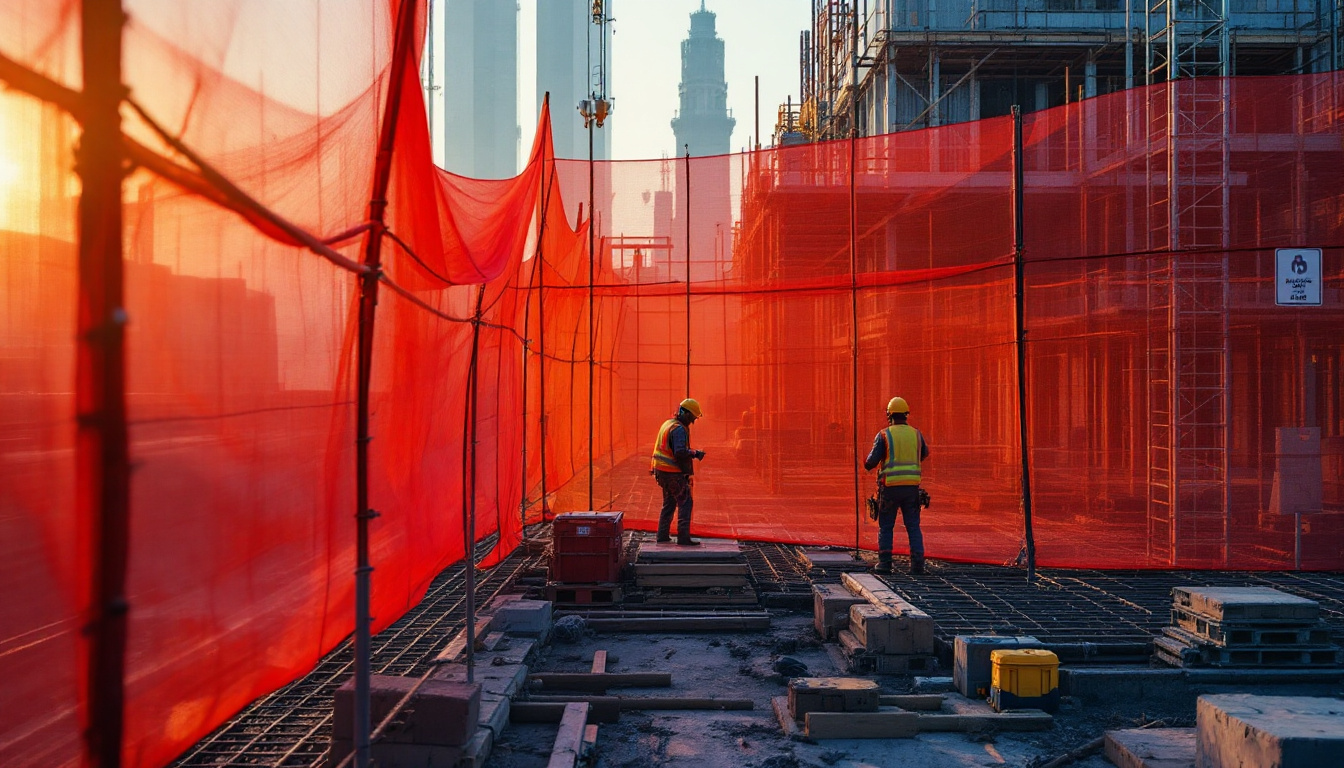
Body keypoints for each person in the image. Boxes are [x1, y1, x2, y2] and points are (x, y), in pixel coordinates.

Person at [863, 396, 930, 574]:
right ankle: (917, 565)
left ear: (889, 415)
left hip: (890, 489)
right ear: (906, 414)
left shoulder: (884, 435)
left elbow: (870, 462)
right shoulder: (916, 434)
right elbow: (924, 453)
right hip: (911, 489)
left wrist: (867, 461)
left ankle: (885, 564)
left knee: (886, 526)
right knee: (913, 526)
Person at [650, 398, 707, 545]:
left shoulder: (668, 424)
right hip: (671, 473)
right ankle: (683, 538)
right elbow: (680, 452)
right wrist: (695, 453)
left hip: (661, 471)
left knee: (669, 503)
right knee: (685, 502)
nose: (693, 420)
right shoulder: (679, 429)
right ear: (685, 413)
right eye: (693, 417)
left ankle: (662, 536)